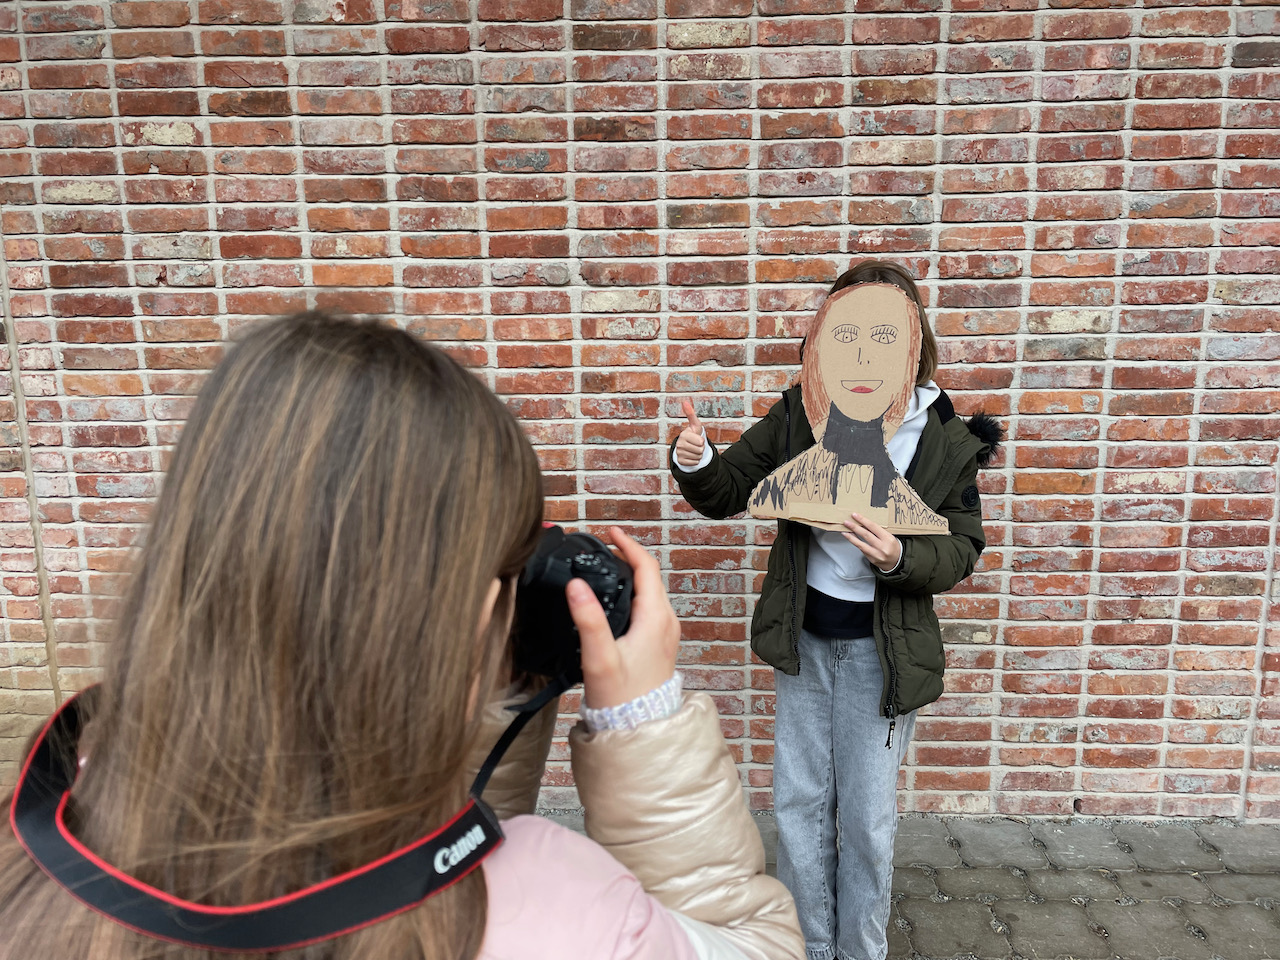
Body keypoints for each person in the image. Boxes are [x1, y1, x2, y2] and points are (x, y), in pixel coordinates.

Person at [0, 313, 803, 960]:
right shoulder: (560, 905)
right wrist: (644, 720)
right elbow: (750, 942)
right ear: (476, 615)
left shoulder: (48, 833)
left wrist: (485, 680)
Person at [670, 261, 1002, 960]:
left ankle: (860, 950)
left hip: (885, 658)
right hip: (806, 644)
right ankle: (809, 945)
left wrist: (900, 556)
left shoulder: (942, 438)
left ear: (912, 342)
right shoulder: (801, 412)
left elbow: (962, 547)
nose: (862, 354)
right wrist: (697, 459)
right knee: (798, 805)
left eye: (883, 335)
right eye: (846, 334)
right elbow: (730, 488)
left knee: (869, 819)